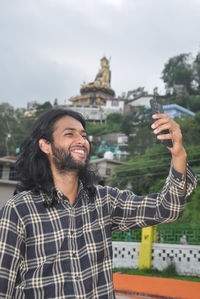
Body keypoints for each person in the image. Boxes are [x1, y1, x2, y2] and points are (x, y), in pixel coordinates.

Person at [0, 108, 197, 298]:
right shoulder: (19, 211)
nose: (82, 141)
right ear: (46, 146)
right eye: (70, 134)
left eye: (84, 135)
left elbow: (167, 208)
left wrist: (178, 154)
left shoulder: (104, 201)